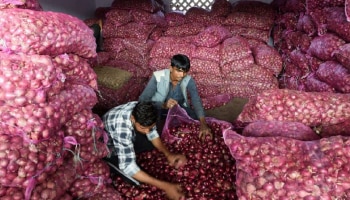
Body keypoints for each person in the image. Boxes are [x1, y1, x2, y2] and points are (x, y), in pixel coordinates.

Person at [103, 101, 187, 200]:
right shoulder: (122, 128)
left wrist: (168, 154)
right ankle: (109, 161)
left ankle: (132, 150)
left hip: (128, 134)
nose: (147, 131)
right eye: (143, 128)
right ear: (133, 118)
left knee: (150, 144)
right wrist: (166, 186)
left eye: (150, 128)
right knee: (133, 180)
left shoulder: (146, 110)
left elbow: (152, 134)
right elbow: (127, 166)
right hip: (107, 147)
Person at [139, 54, 212, 140]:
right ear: (171, 68)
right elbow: (143, 100)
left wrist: (203, 123)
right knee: (152, 131)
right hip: (157, 108)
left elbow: (196, 100)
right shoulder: (158, 76)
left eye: (185, 72)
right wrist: (163, 105)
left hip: (178, 109)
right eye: (178, 71)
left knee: (196, 118)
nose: (181, 75)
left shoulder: (188, 80)